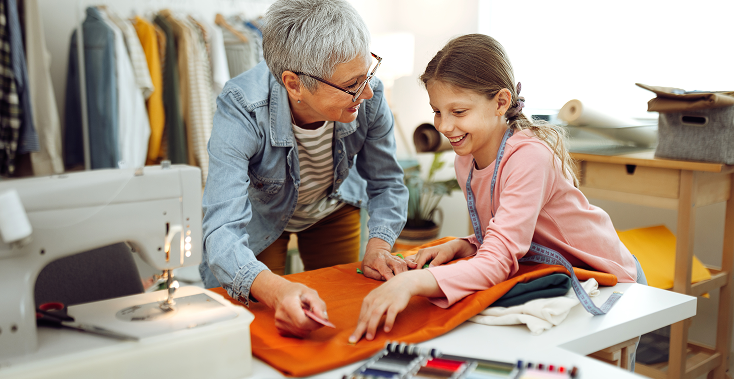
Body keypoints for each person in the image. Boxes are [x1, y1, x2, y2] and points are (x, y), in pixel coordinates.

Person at [350, 34, 647, 354]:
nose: (445, 126)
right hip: (552, 277)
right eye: (437, 111)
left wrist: (410, 283)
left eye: (459, 111)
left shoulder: (529, 157)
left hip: (609, 280)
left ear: (501, 102)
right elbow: (513, 236)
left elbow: (500, 259)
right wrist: (464, 244)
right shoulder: (466, 158)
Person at [200, 0, 409, 338]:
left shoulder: (370, 95)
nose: (367, 91)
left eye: (367, 73)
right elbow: (221, 232)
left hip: (333, 211)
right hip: (261, 219)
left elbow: (386, 183)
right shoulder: (241, 107)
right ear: (294, 83)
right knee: (261, 324)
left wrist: (380, 246)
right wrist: (276, 290)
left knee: (338, 315)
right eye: (352, 84)